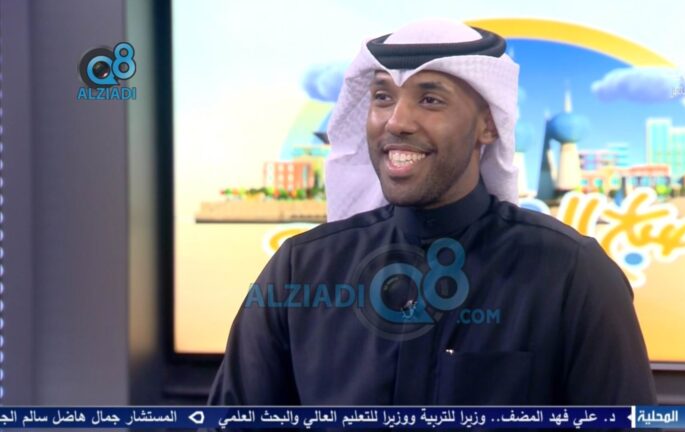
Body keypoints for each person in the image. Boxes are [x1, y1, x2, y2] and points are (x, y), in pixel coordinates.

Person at [208, 19, 656, 409]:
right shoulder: (300, 269)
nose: (396, 121)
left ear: (488, 125)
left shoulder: (573, 274)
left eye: (430, 100)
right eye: (383, 97)